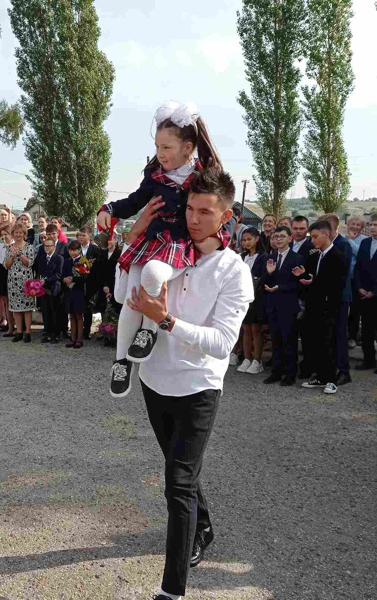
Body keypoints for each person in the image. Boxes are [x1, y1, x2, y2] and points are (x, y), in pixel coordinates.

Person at [123, 168, 253, 600]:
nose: (194, 219)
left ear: (226, 216)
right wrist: (131, 237)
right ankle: (205, 526)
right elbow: (124, 277)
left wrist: (169, 321)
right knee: (185, 470)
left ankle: (171, 591)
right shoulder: (168, 248)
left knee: (177, 482)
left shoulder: (233, 272)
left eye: (205, 211)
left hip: (199, 387)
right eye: (190, 208)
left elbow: (221, 344)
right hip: (154, 379)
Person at [97, 101, 234, 395]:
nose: (160, 154)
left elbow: (217, 207)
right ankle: (121, 362)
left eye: (166, 147)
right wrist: (108, 208)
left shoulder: (202, 177)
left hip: (176, 245)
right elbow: (133, 201)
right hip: (149, 241)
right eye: (157, 147)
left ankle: (148, 331)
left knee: (153, 273)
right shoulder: (155, 175)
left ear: (187, 147)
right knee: (130, 299)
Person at [297, 221, 348, 394]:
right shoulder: (315, 256)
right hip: (315, 306)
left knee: (329, 343)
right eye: (312, 237)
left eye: (316, 237)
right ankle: (321, 376)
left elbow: (335, 284)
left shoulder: (338, 256)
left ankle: (331, 380)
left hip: (330, 307)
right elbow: (313, 278)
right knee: (316, 342)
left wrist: (314, 282)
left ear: (326, 235)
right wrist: (303, 276)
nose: (313, 241)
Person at [262, 226, 304, 386]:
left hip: (288, 305)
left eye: (282, 236)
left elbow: (299, 285)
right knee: (276, 341)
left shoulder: (297, 258)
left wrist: (280, 288)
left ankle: (290, 373)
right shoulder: (270, 257)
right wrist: (270, 273)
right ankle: (276, 372)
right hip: (273, 305)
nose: (278, 239)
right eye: (276, 236)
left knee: (289, 341)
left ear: (289, 238)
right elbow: (263, 283)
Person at [319, 214, 353, 386]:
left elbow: (343, 274)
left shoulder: (343, 245)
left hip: (339, 298)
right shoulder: (322, 246)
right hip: (327, 299)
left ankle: (344, 371)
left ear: (334, 229)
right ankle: (328, 371)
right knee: (329, 336)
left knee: (339, 335)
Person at [237, 227, 267, 374]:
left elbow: (262, 277)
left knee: (256, 329)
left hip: (257, 298)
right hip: (242, 298)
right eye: (244, 240)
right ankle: (246, 358)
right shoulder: (242, 257)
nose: (246, 243)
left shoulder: (263, 257)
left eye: (249, 239)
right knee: (245, 328)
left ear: (257, 239)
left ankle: (257, 360)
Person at [353, 214, 377, 373]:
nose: (373, 228)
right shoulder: (365, 242)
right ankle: (368, 360)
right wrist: (359, 287)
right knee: (367, 329)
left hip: (376, 294)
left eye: (376, 225)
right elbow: (358, 267)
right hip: (364, 293)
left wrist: (374, 292)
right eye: (372, 225)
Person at [4, 223, 36, 343]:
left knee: (27, 308)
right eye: (16, 232)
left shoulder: (29, 247)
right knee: (16, 308)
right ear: (13, 234)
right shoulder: (9, 248)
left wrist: (20, 255)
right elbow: (6, 265)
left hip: (26, 281)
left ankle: (27, 332)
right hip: (13, 281)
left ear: (24, 234)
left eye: (20, 233)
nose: (18, 234)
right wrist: (12, 256)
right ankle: (19, 332)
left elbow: (29, 263)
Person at [35, 238, 64, 344]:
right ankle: (47, 332)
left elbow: (59, 274)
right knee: (45, 311)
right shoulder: (41, 258)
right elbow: (38, 272)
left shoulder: (59, 258)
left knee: (55, 311)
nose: (47, 248)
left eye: (49, 246)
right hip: (43, 289)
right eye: (45, 246)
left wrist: (46, 280)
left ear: (54, 247)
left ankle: (56, 334)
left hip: (54, 288)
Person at [346, 215, 369, 348]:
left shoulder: (364, 240)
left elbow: (359, 254)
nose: (355, 226)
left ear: (361, 227)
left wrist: (350, 241)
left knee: (355, 310)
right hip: (343, 277)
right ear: (348, 224)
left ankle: (352, 336)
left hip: (356, 279)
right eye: (353, 224)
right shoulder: (343, 238)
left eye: (358, 225)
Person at [77, 226, 101, 340]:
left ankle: (86, 332)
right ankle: (77, 330)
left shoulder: (96, 250)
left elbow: (99, 267)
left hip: (91, 282)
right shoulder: (76, 248)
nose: (81, 237)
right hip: (78, 282)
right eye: (80, 235)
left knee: (88, 309)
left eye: (84, 235)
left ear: (90, 236)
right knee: (78, 307)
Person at [62, 240, 87, 348]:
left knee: (79, 315)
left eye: (75, 250)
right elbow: (62, 273)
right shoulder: (66, 261)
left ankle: (79, 339)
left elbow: (85, 277)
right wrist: (64, 279)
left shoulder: (83, 261)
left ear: (79, 250)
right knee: (71, 315)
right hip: (69, 291)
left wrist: (73, 279)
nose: (73, 252)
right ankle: (72, 338)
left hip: (79, 291)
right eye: (71, 250)